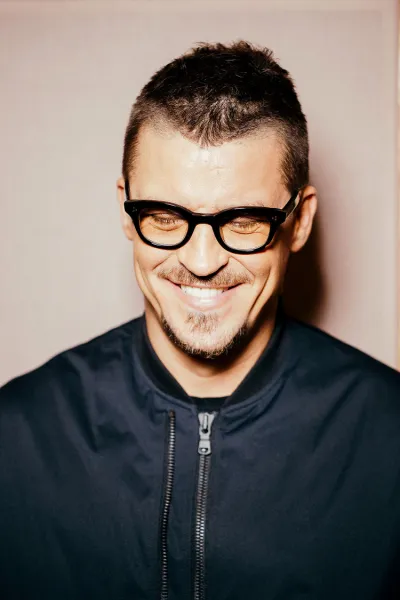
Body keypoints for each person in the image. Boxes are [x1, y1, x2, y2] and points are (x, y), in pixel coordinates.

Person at [0, 40, 399, 600]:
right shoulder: (17, 437)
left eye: (244, 221)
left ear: (301, 221)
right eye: (164, 216)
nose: (202, 262)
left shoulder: (389, 437)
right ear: (126, 211)